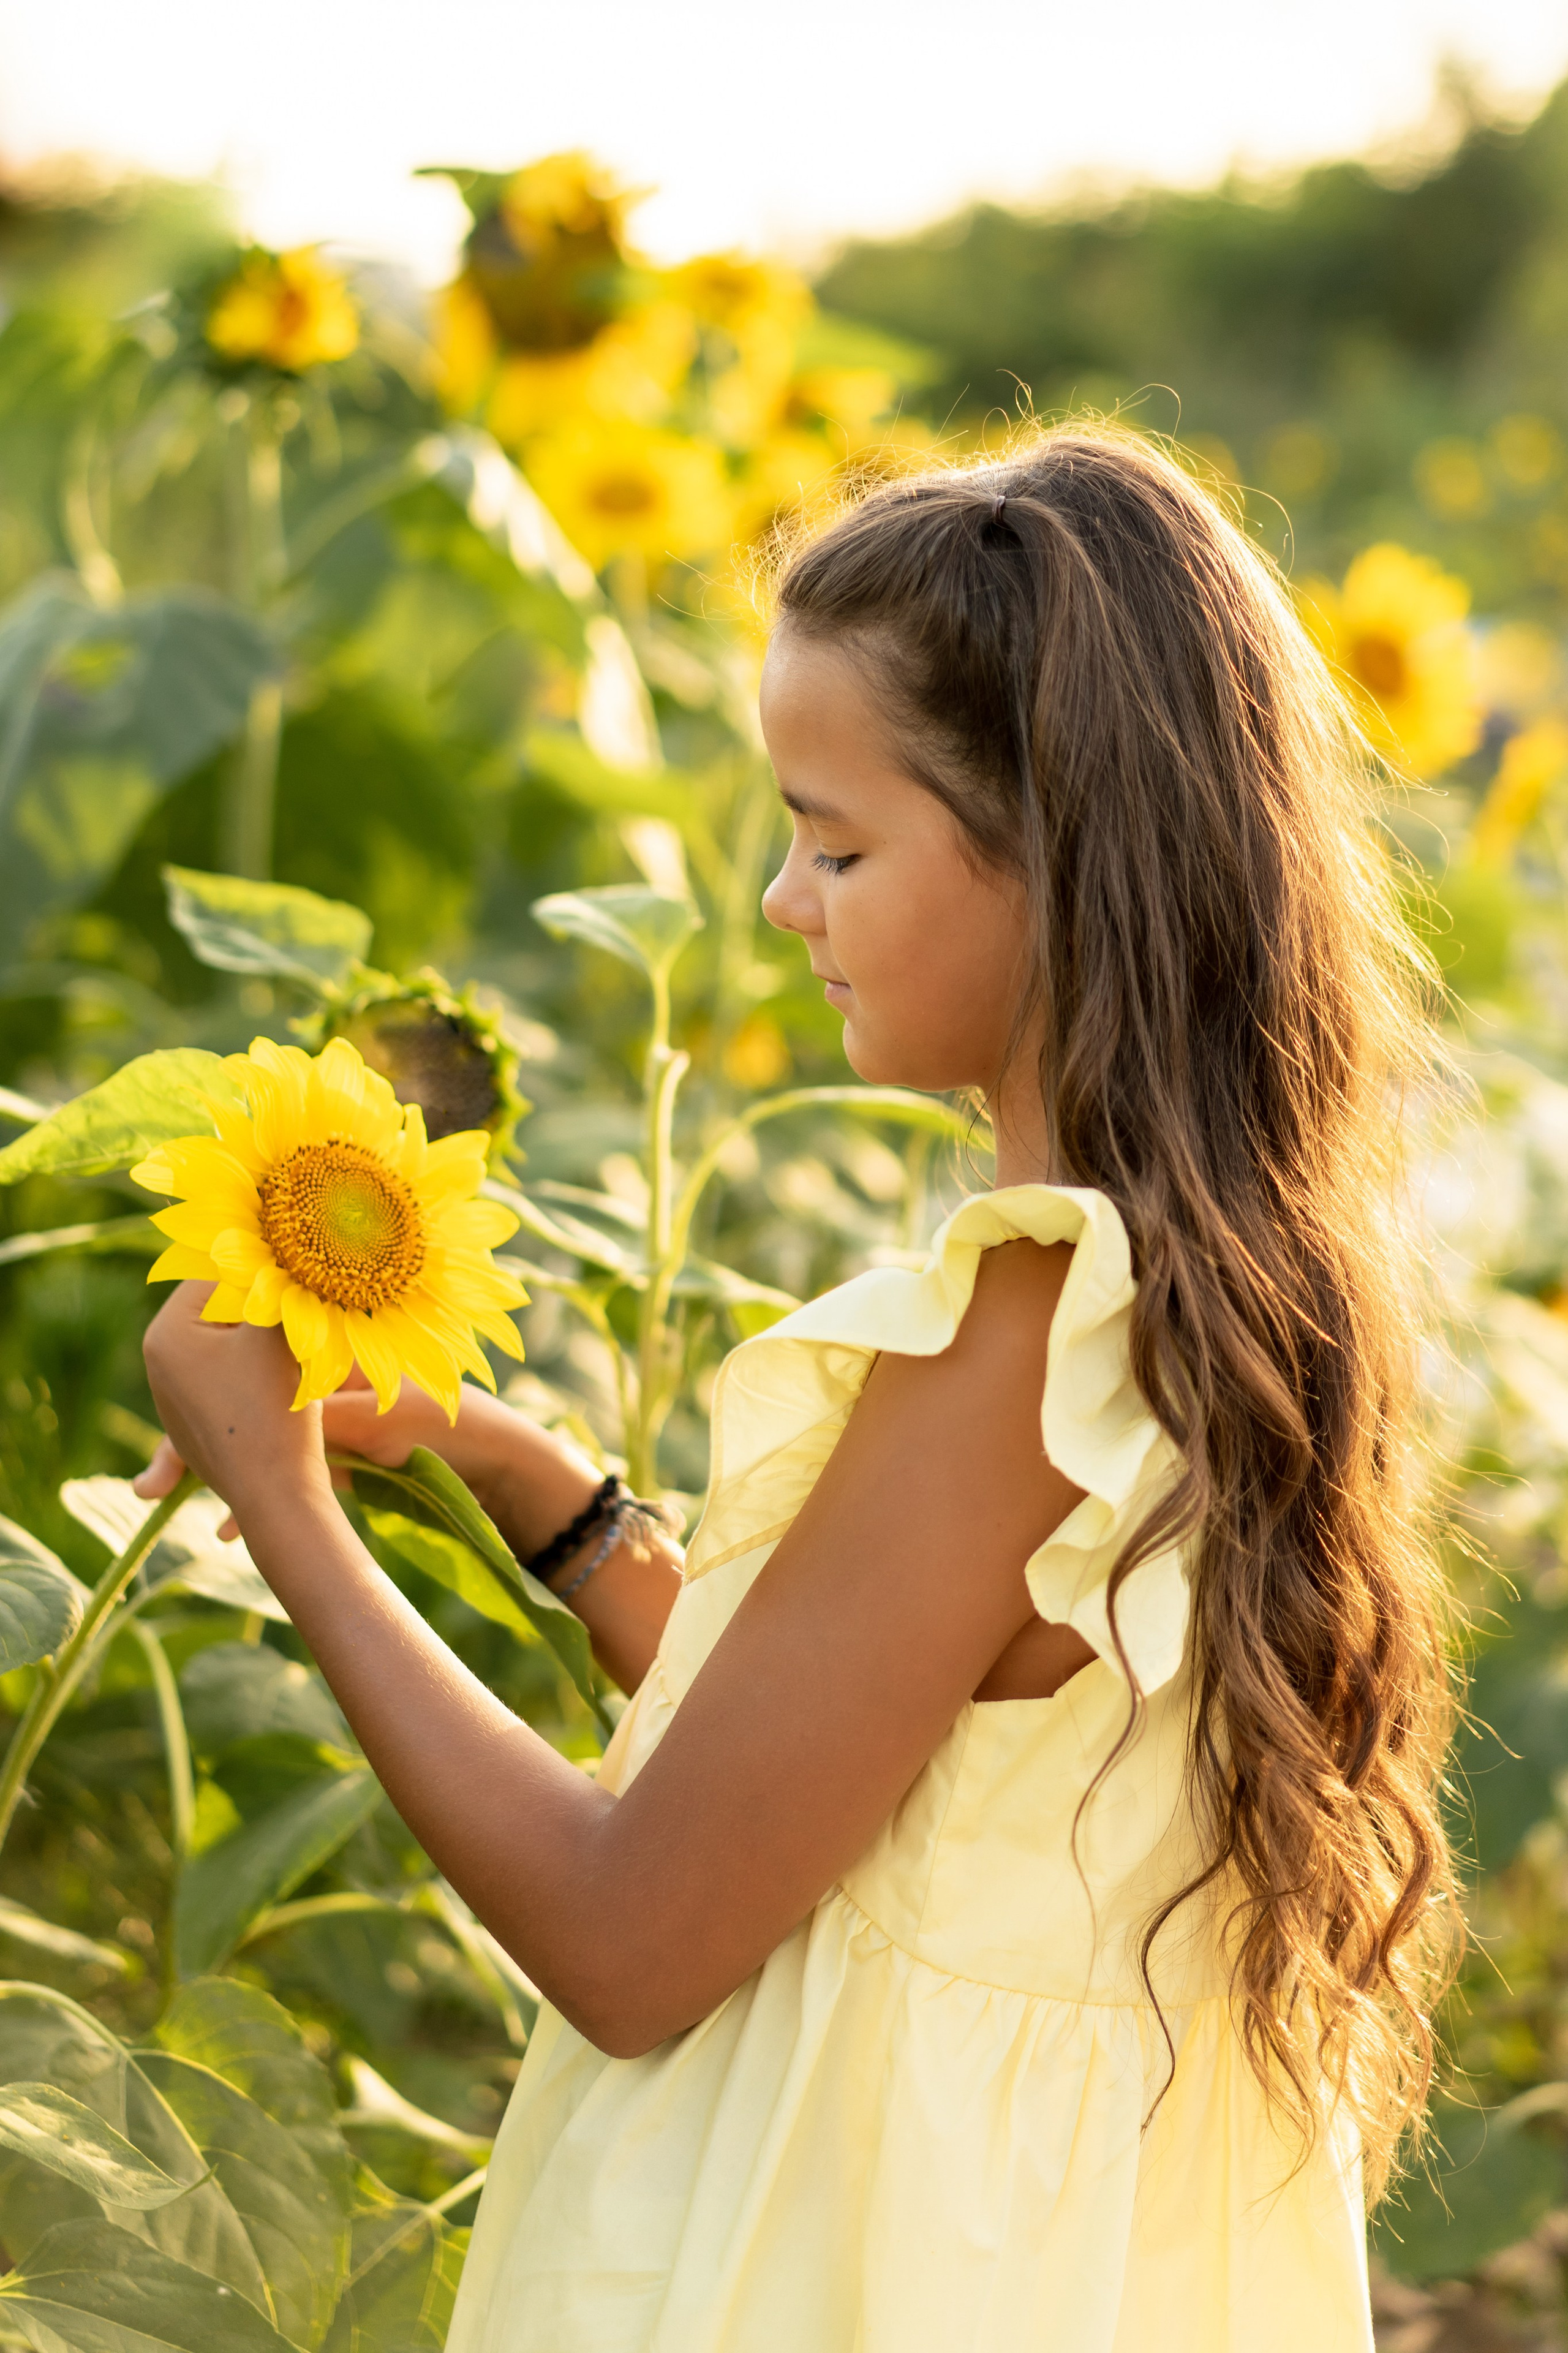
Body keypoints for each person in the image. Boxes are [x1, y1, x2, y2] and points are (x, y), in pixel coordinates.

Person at [135, 426, 1455, 2351]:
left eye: (836, 845)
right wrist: (541, 1488)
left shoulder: (1019, 1341)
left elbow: (629, 1934)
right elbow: (887, 1791)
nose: (780, 900)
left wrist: (279, 1496)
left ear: (1063, 861)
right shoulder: (1218, 1283)